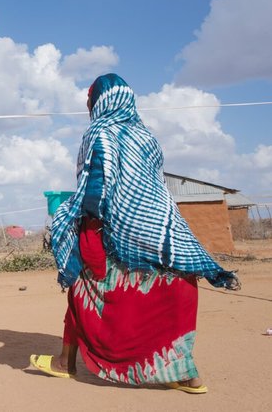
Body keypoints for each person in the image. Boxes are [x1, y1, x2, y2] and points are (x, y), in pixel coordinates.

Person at [30, 73, 240, 394]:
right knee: (172, 294)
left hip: (116, 231)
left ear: (98, 101)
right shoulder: (148, 136)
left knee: (81, 288)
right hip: (164, 231)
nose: (89, 107)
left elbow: (97, 188)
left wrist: (74, 218)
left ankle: (65, 363)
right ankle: (184, 373)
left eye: (90, 101)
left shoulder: (100, 133)